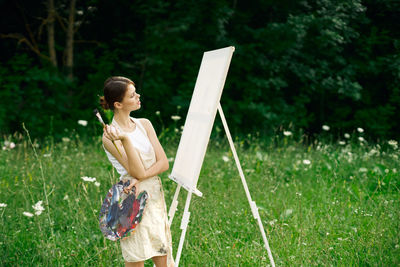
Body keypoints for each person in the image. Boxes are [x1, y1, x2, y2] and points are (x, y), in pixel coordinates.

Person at [99, 76, 174, 267]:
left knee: (163, 256)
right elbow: (137, 170)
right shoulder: (110, 137)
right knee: (135, 258)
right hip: (132, 199)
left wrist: (143, 175)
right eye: (132, 95)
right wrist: (124, 139)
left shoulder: (145, 124)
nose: (138, 96)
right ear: (118, 104)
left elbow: (163, 163)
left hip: (154, 195)